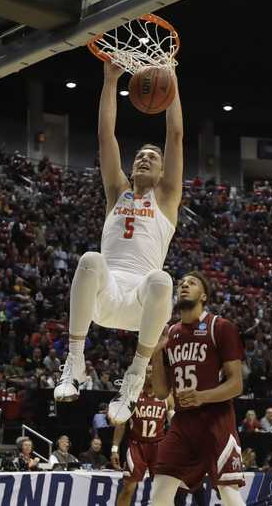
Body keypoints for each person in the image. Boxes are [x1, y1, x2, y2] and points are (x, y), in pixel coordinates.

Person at [55, 59, 184, 430]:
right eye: (140, 155)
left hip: (140, 307)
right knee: (91, 259)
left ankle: (134, 376)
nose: (145, 157)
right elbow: (105, 137)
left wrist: (171, 82)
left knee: (162, 280)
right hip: (105, 297)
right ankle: (75, 359)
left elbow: (174, 136)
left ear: (162, 172)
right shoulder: (117, 192)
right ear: (131, 167)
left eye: (152, 157)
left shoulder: (167, 199)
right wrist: (111, 80)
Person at [148, 272, 247, 506]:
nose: (184, 286)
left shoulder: (220, 327)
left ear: (203, 295)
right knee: (160, 493)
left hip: (216, 421)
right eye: (181, 283)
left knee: (229, 495)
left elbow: (236, 384)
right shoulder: (170, 333)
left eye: (191, 283)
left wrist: (202, 396)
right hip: (183, 423)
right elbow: (162, 392)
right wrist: (155, 354)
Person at [112, 366, 173, 506]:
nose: (150, 375)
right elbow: (121, 424)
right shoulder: (132, 396)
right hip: (136, 446)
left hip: (158, 446)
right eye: (147, 372)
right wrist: (114, 449)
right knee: (128, 488)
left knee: (162, 490)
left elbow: (175, 424)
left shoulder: (167, 397)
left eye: (153, 372)